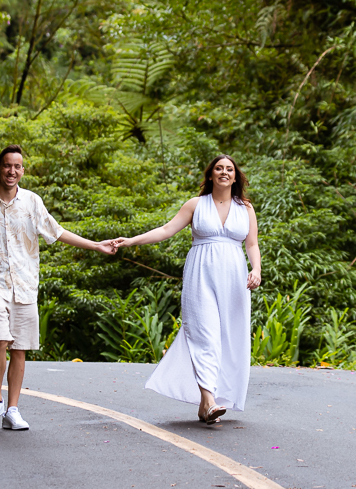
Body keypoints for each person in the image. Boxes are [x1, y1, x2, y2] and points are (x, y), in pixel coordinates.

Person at [0, 144, 116, 431]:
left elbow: (57, 232)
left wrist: (95, 245)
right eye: (7, 165)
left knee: (20, 347)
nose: (11, 171)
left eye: (17, 167)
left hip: (25, 284)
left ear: (23, 171)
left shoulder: (32, 202)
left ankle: (12, 410)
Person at [112, 155, 261, 424]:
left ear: (235, 177)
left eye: (229, 169)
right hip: (200, 274)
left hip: (234, 277)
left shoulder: (246, 208)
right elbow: (166, 229)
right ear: (211, 174)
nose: (224, 172)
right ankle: (210, 399)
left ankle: (205, 406)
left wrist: (256, 270)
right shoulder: (195, 204)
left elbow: (251, 244)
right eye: (219, 168)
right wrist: (131, 241)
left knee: (229, 337)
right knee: (205, 334)